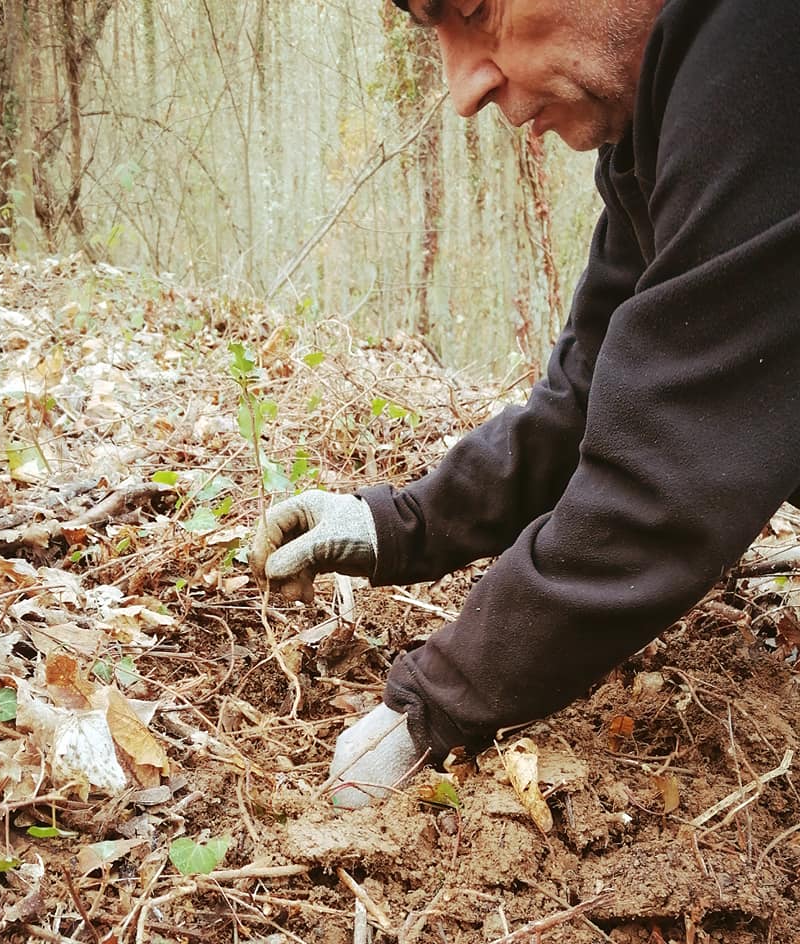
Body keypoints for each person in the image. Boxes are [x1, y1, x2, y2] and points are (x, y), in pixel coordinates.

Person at [249, 0, 800, 807]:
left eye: (475, 10)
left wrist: (436, 703)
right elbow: (587, 398)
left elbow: (668, 473)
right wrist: (396, 523)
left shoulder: (768, 48)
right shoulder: (658, 121)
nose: (463, 86)